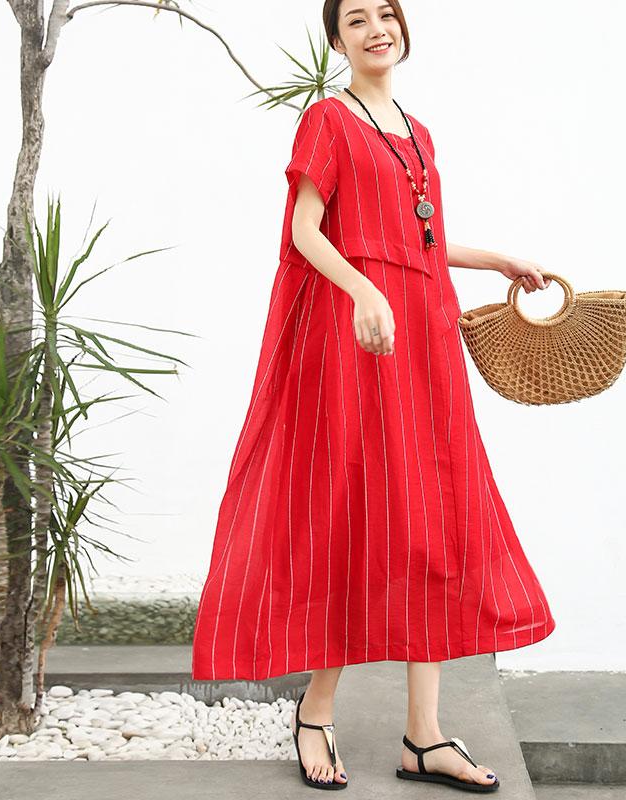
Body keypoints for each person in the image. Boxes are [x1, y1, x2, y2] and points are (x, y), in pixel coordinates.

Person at [191, 0, 557, 790]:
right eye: (356, 19)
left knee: (432, 519)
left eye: (385, 12)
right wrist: (363, 292)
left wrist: (498, 260)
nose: (375, 28)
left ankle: (423, 736)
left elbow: (418, 237)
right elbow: (307, 231)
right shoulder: (329, 120)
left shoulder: (418, 134)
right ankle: (315, 711)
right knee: (351, 510)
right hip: (359, 341)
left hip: (424, 339)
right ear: (337, 40)